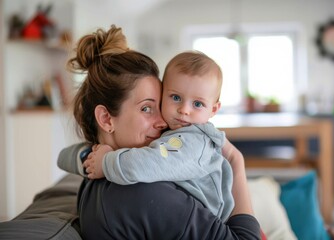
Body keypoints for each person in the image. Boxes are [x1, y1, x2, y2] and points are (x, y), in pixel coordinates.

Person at [58, 25, 260, 239]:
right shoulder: (143, 192)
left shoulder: (94, 175)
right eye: (147, 108)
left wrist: (91, 158)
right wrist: (236, 162)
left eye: (158, 106)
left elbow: (67, 157)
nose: (163, 121)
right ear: (106, 119)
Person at [83, 50, 236, 222]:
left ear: (214, 109)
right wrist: (82, 157)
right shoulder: (174, 132)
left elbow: (149, 162)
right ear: (105, 119)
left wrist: (105, 162)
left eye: (198, 103)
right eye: (175, 97)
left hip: (215, 221)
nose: (184, 110)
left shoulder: (194, 141)